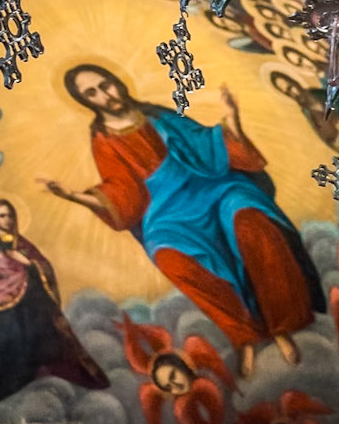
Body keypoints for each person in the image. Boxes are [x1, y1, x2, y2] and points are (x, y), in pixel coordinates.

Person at [52, 67, 324, 378]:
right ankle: (244, 336)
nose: (105, 95)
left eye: (106, 85)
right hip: (166, 211)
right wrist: (75, 196)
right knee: (172, 259)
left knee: (252, 222)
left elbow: (204, 144)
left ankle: (283, 325)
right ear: (86, 101)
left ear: (117, 83)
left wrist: (231, 119)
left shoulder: (158, 116)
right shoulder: (104, 140)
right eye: (92, 93)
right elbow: (122, 192)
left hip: (212, 186)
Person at [0, 197, 109, 419]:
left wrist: (27, 263)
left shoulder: (22, 243)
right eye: (1, 216)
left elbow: (43, 267)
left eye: (9, 215)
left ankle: (2, 398)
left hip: (31, 308)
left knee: (38, 351)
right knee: (12, 354)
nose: (6, 220)